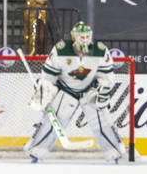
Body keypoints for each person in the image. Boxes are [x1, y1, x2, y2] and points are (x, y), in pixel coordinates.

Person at [24, 22, 127, 164]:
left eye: (87, 36)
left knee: (102, 121)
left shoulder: (100, 50)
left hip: (89, 90)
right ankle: (37, 153)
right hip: (66, 89)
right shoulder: (60, 49)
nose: (84, 40)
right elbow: (48, 75)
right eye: (81, 37)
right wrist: (45, 90)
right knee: (53, 122)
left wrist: (102, 89)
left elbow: (106, 76)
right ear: (74, 38)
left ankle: (113, 154)